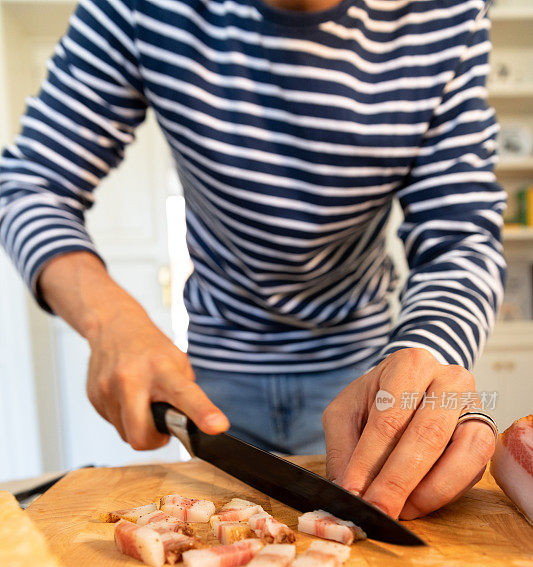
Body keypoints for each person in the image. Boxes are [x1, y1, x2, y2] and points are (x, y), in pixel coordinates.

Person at [0, 0, 506, 520]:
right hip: (213, 382)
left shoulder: (450, 15)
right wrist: (110, 320)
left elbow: (461, 237)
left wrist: (427, 357)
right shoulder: (137, 9)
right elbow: (29, 186)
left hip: (364, 378)